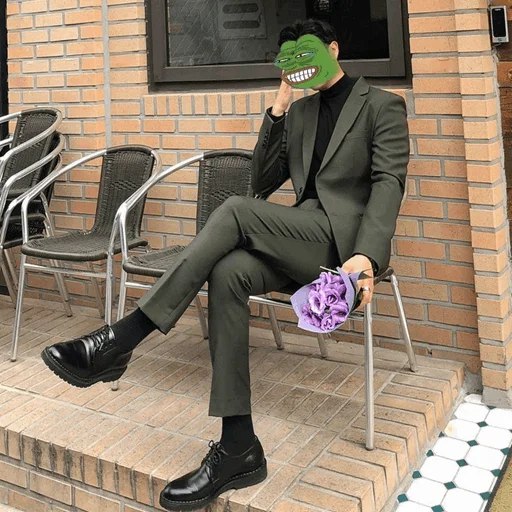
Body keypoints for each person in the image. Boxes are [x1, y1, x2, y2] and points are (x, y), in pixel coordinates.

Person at [40, 19, 409, 512]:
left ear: (333, 49)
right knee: (229, 272)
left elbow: (388, 183)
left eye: (307, 53)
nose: (299, 65)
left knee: (235, 210)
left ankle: (123, 338)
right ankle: (239, 447)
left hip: (344, 249)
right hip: (300, 237)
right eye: (290, 59)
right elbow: (262, 179)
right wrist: (280, 105)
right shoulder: (300, 112)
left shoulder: (381, 105)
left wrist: (366, 257)